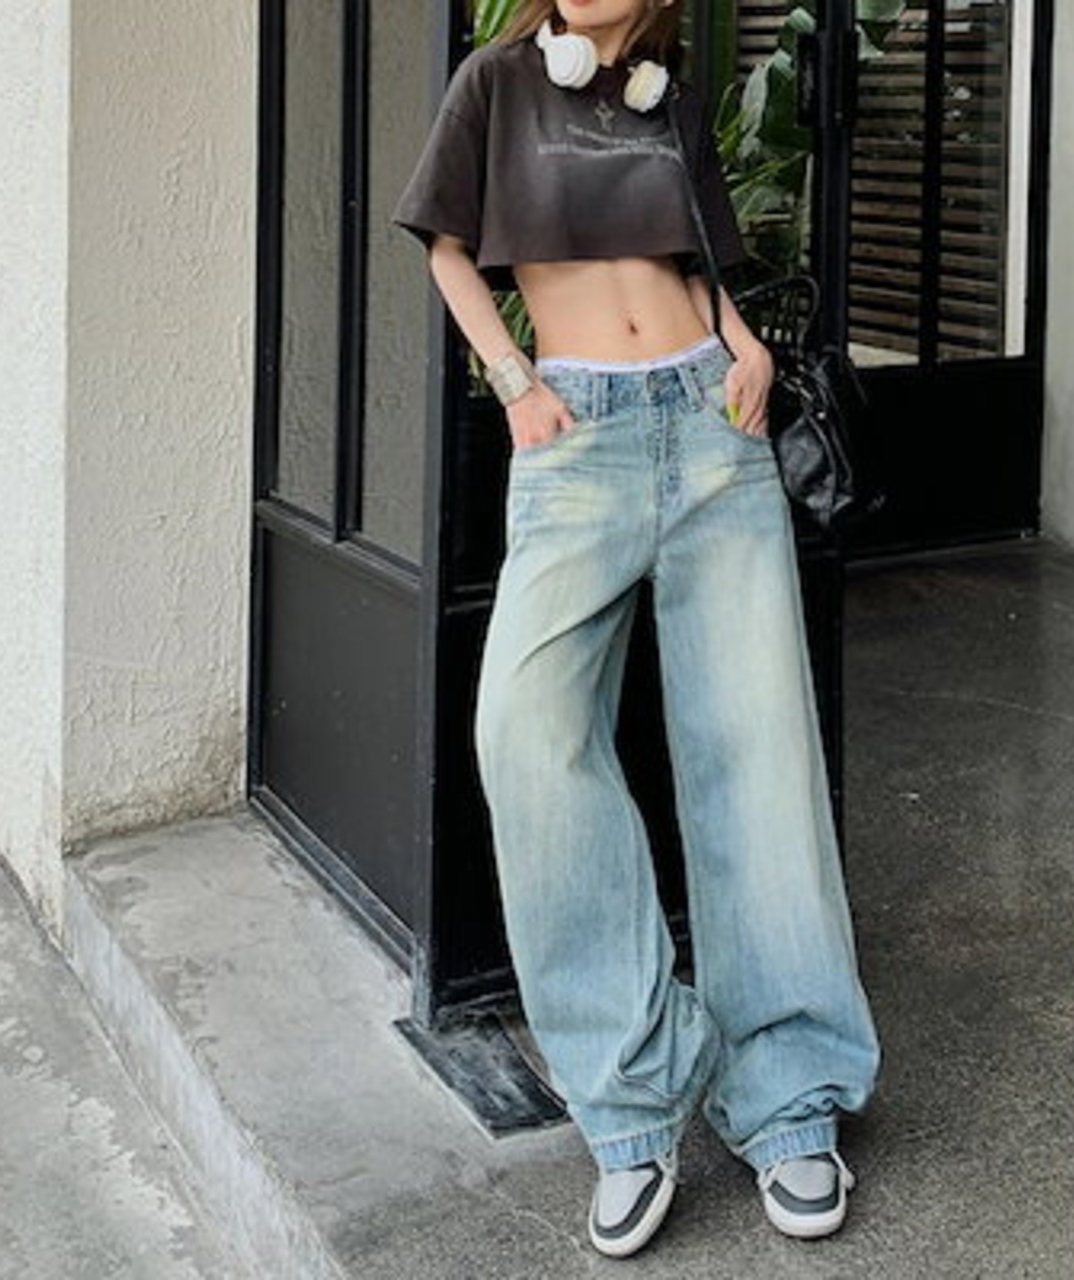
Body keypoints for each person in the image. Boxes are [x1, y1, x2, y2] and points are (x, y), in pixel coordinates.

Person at [394, 0, 879, 1259]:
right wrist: (513, 380)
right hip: (576, 441)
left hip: (712, 427)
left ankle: (788, 1095)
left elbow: (696, 266)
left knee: (756, 753)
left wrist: (745, 349)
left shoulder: (671, 94)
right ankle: (630, 1094)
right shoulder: (498, 81)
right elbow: (446, 248)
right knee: (525, 732)